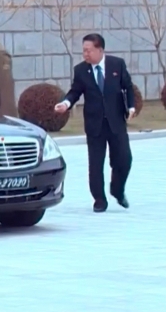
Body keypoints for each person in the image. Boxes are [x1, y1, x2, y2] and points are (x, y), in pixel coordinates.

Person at [54, 33, 135, 212]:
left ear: (100, 50)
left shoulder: (117, 65)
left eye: (88, 50)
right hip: (94, 124)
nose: (85, 54)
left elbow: (128, 87)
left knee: (124, 159)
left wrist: (131, 107)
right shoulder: (81, 70)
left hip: (116, 122)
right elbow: (75, 91)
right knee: (96, 164)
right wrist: (66, 104)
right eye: (83, 51)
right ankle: (99, 199)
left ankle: (117, 189)